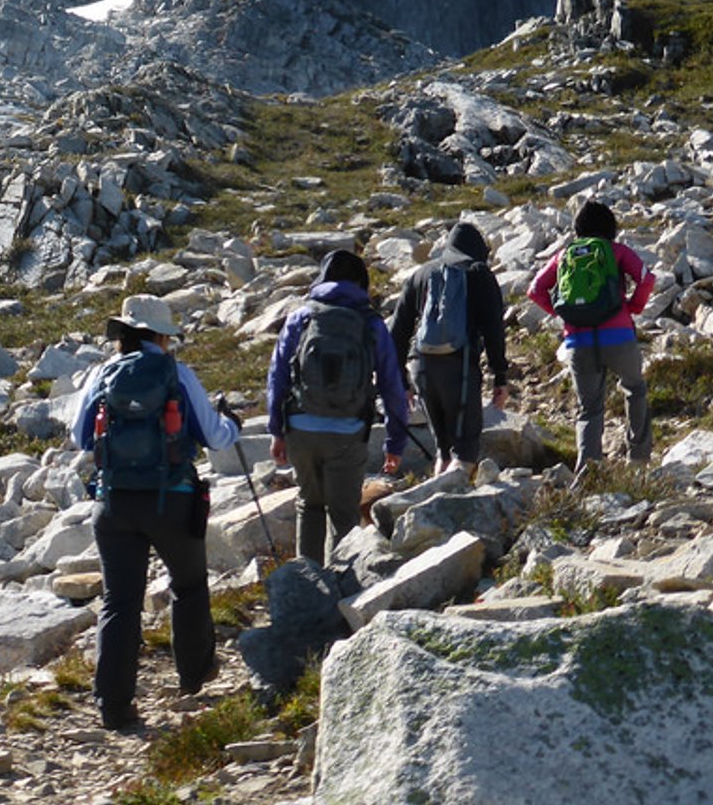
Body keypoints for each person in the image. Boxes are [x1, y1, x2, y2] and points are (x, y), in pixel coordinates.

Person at [71, 294, 241, 732]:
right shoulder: (177, 374)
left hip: (114, 503)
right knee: (188, 585)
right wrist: (233, 423)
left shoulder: (101, 374)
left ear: (123, 333)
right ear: (162, 336)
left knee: (120, 601)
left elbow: (81, 438)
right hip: (173, 499)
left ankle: (114, 705)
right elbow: (216, 437)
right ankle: (194, 675)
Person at [265, 249, 409, 566]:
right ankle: (344, 592)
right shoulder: (371, 323)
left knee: (309, 505)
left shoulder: (301, 317)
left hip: (300, 428)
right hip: (348, 430)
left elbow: (277, 376)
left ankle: (309, 585)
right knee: (344, 515)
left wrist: (277, 431)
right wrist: (395, 441)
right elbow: (391, 385)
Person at [527, 199, 655, 471]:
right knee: (635, 389)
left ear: (578, 228)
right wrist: (633, 307)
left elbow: (535, 290)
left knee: (589, 408)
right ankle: (639, 460)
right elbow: (646, 279)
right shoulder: (617, 251)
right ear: (610, 226)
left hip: (578, 342)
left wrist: (561, 315)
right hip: (619, 336)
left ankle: (588, 469)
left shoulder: (564, 255)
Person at [391, 221, 511, 474]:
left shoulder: (421, 273)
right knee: (464, 450)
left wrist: (400, 380)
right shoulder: (478, 272)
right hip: (459, 369)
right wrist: (500, 377)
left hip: (421, 367)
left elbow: (398, 331)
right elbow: (493, 330)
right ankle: (452, 508)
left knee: (443, 451)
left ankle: (434, 500)